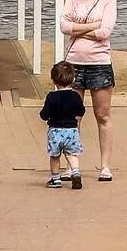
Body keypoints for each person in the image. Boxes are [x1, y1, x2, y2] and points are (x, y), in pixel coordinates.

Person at [59, 0, 118, 181]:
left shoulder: (108, 0)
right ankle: (72, 165)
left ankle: (105, 166)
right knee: (73, 116)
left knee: (102, 115)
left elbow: (106, 32)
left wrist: (79, 27)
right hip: (74, 63)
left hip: (99, 64)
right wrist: (92, 25)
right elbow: (64, 26)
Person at [39, 61, 86, 189]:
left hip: (55, 131)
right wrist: (76, 116)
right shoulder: (75, 96)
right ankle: (76, 173)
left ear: (53, 81)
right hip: (72, 130)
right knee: (71, 154)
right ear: (73, 79)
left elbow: (45, 114)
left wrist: (45, 115)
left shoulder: (52, 97)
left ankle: (55, 179)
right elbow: (81, 110)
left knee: (55, 155)